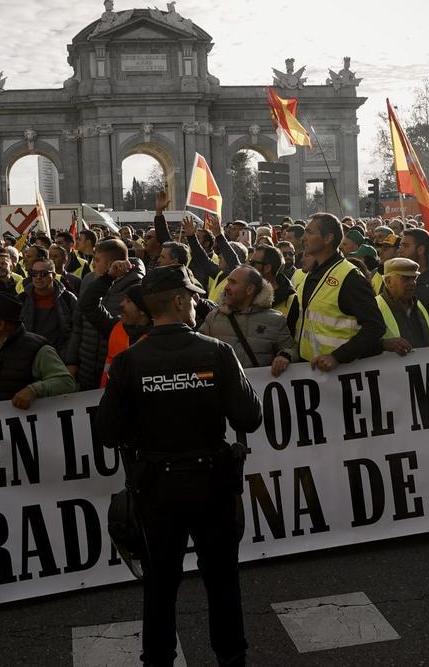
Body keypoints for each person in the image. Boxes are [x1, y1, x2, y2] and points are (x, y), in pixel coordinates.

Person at [92, 265, 262, 667]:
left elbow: (107, 431)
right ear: (181, 302)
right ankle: (231, 657)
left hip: (156, 488)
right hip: (211, 484)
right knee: (221, 579)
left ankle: (158, 660)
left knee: (160, 582)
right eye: (193, 297)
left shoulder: (130, 360)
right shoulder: (216, 352)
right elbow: (249, 417)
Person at [295, 213, 386, 371]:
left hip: (341, 375)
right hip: (311, 372)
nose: (303, 238)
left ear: (328, 238)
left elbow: (375, 326)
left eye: (310, 232)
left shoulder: (350, 278)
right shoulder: (312, 273)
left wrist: (338, 357)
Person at [64, 238, 143, 391]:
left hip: (114, 374)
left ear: (111, 264)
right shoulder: (88, 281)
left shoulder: (136, 289)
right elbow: (78, 325)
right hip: (86, 368)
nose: (93, 264)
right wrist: (72, 362)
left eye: (97, 260)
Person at [199, 265, 295, 373]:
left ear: (250, 289)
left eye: (233, 282)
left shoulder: (276, 320)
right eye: (228, 282)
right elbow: (198, 351)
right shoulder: (213, 318)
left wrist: (285, 356)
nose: (226, 287)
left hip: (259, 388)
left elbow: (292, 350)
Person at [20, 256, 78, 354]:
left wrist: (70, 360)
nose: (38, 277)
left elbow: (76, 332)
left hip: (59, 356)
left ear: (54, 276)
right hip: (28, 354)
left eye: (43, 274)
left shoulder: (68, 299)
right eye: (34, 274)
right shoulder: (22, 298)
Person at [376, 258, 429, 355]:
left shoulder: (419, 305)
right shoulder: (375, 306)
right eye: (406, 278)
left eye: (414, 278)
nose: (412, 283)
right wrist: (384, 345)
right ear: (388, 281)